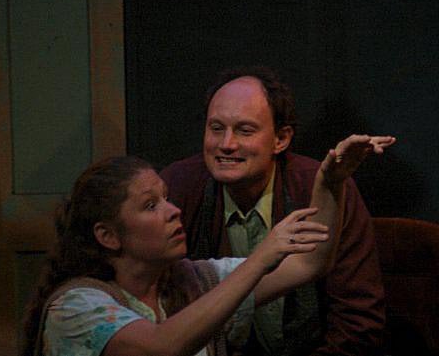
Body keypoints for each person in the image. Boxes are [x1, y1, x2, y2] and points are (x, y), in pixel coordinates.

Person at [21, 133, 390, 356]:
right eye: (150, 206)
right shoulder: (76, 307)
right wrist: (259, 259)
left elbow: (308, 264)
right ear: (108, 235)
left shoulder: (192, 280)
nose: (173, 211)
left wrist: (330, 183)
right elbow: (161, 347)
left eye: (166, 198)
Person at [160, 66, 395, 355]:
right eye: (216, 128)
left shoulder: (319, 189)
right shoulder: (179, 187)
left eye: (245, 131)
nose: (226, 144)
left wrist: (331, 185)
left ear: (280, 139)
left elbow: (358, 318)